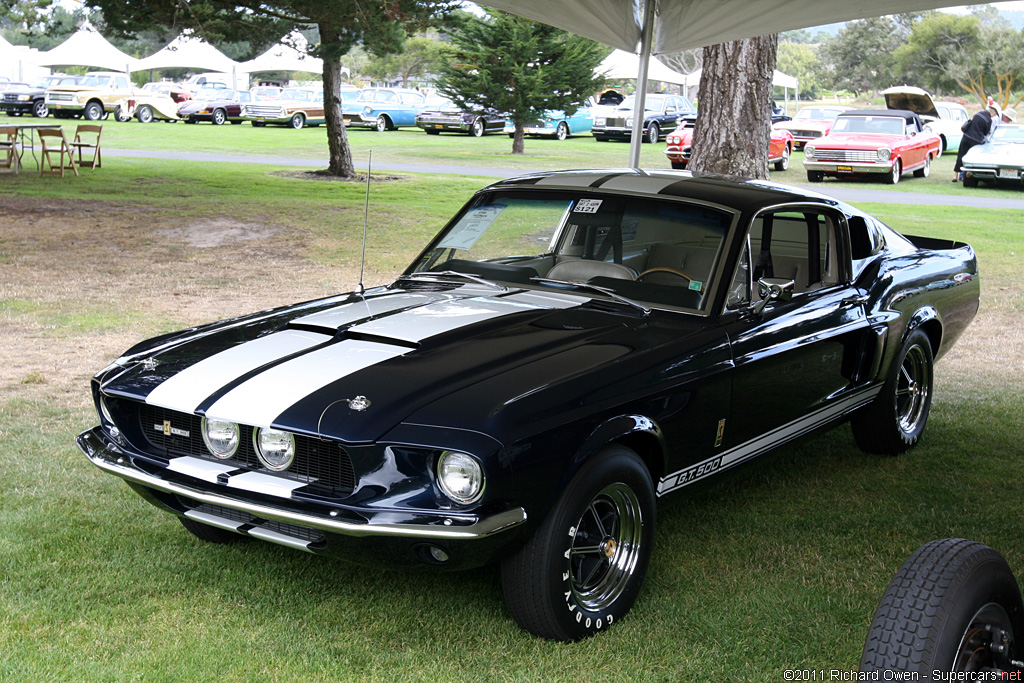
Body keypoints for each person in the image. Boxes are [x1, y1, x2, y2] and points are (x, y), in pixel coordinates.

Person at [953, 102, 999, 182]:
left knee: (961, 155)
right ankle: (964, 176)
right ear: (992, 112)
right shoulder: (988, 120)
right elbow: (985, 132)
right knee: (971, 159)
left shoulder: (977, 114)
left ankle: (955, 176)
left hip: (966, 137)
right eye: (995, 114)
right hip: (976, 141)